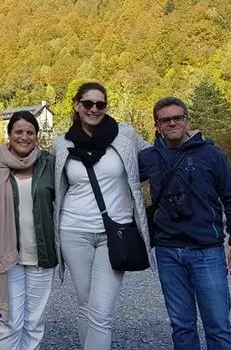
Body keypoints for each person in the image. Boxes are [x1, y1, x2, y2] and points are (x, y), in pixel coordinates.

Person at [138, 96, 231, 350]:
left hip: (206, 251)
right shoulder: (149, 158)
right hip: (167, 252)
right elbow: (115, 176)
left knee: (217, 326)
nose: (172, 123)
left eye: (178, 118)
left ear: (188, 121)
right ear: (156, 125)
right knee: (181, 325)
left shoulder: (211, 154)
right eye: (165, 120)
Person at [52, 82, 152, 350]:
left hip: (115, 232)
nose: (94, 109)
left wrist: (191, 142)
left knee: (101, 311)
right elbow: (52, 184)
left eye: (100, 104)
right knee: (86, 305)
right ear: (76, 106)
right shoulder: (61, 144)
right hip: (73, 231)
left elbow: (157, 157)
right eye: (88, 103)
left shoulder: (125, 135)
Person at [0, 110, 57, 350]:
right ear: (9, 134)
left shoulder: (48, 163)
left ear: (37, 135)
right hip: (7, 257)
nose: (24, 137)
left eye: (30, 132)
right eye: (18, 132)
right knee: (9, 322)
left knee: (34, 323)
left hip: (40, 254)